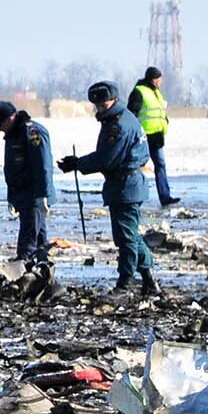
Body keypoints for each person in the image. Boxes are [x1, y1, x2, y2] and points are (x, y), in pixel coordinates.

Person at [61, 81, 158, 296]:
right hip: (126, 184)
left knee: (125, 238)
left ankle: (126, 282)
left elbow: (107, 159)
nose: (100, 109)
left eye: (103, 105)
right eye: (98, 106)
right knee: (131, 234)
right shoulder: (120, 118)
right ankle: (149, 279)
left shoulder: (119, 125)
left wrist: (77, 164)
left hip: (126, 185)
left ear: (113, 100)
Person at [0, 100, 54, 263]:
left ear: (9, 119)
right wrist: (12, 197)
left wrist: (43, 194)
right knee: (38, 239)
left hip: (34, 195)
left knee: (28, 241)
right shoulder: (13, 135)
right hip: (22, 195)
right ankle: (41, 271)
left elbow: (43, 165)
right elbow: (12, 169)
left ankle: (24, 271)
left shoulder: (31, 132)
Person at [126, 66, 180, 208]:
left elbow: (159, 111)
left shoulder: (156, 92)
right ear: (153, 79)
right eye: (159, 79)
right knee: (136, 166)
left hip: (157, 136)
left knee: (160, 165)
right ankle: (132, 195)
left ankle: (165, 196)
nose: (160, 81)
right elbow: (132, 114)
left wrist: (165, 121)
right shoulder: (139, 92)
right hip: (143, 137)